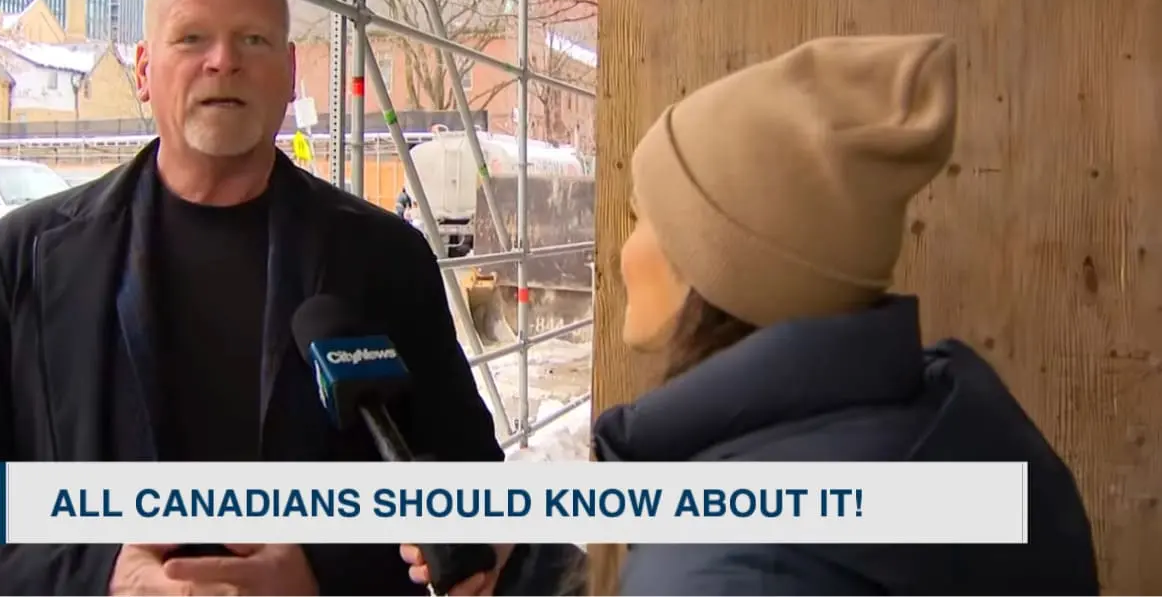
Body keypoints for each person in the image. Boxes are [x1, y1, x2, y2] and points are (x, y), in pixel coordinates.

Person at [0, 0, 516, 596]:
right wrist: (101, 575)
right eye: (191, 38)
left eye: (253, 39)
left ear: (290, 69)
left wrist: (322, 574)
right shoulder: (25, 255)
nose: (224, 61)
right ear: (143, 69)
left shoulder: (385, 258)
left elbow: (468, 482)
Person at [405, 34, 1101, 595]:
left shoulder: (728, 563)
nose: (624, 249)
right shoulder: (965, 429)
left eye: (644, 217)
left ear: (722, 262)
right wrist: (529, 569)